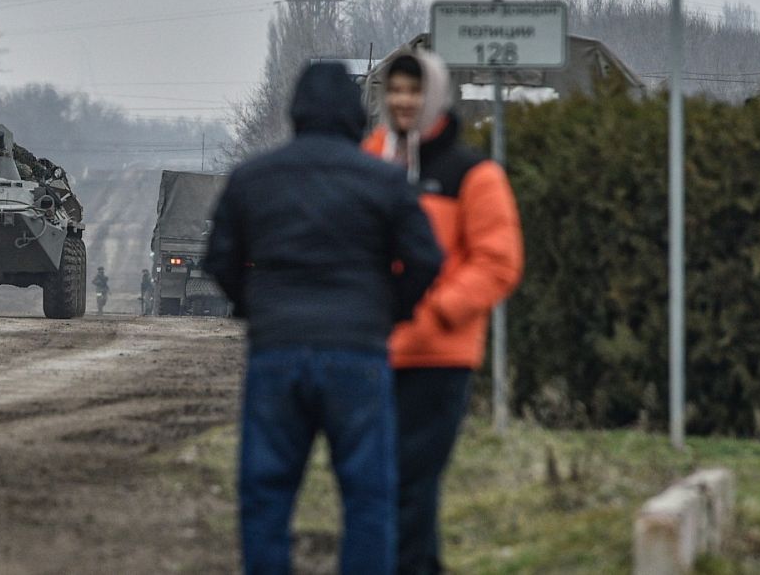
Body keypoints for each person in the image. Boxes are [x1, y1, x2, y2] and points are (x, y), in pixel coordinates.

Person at [205, 61, 442, 575]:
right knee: (368, 494)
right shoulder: (384, 180)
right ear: (356, 116)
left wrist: (255, 307)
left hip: (277, 351)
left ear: (296, 113)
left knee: (266, 493)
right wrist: (389, 310)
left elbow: (218, 259)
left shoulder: (253, 178)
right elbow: (426, 258)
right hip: (358, 352)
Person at [364, 51, 524, 575]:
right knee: (379, 479)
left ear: (433, 95)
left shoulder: (472, 173)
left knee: (413, 478)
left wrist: (435, 312)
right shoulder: (371, 159)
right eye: (394, 91)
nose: (402, 101)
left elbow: (498, 262)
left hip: (439, 354)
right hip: (372, 351)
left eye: (412, 90)